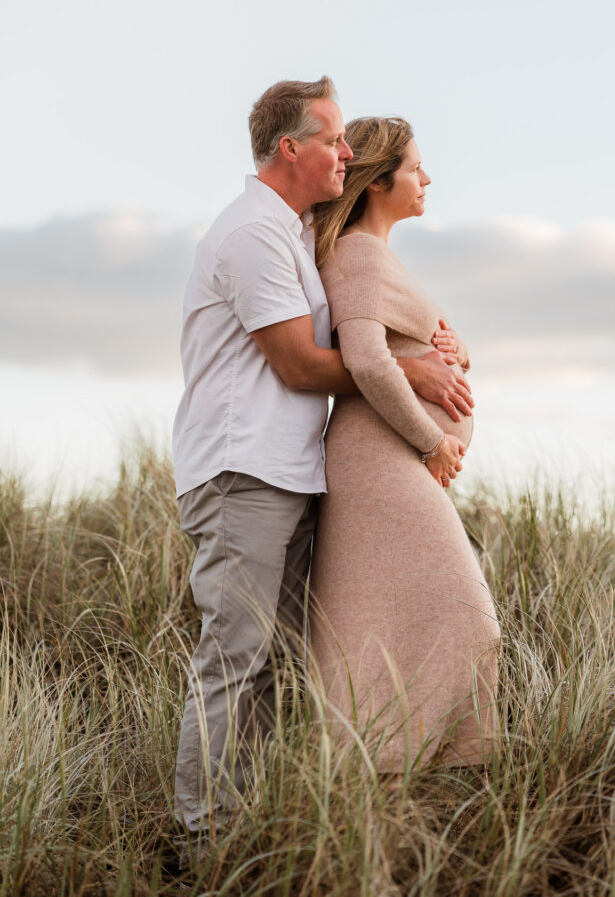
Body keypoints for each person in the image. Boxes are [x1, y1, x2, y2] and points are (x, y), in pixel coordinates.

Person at [171, 79, 475, 833]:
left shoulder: (300, 236)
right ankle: (202, 836)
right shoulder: (252, 236)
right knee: (234, 657)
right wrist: (404, 370)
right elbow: (301, 365)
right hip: (244, 472)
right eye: (334, 140)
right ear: (290, 148)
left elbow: (364, 316)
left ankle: (252, 825)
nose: (346, 152)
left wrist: (439, 341)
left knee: (274, 666)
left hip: (293, 472)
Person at [310, 116, 501, 772]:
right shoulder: (359, 254)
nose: (425, 177)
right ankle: (402, 771)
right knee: (461, 620)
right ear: (377, 179)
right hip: (382, 464)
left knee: (392, 629)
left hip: (392, 462)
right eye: (415, 166)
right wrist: (430, 442)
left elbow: (412, 339)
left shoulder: (376, 256)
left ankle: (395, 788)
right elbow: (365, 359)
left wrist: (452, 346)